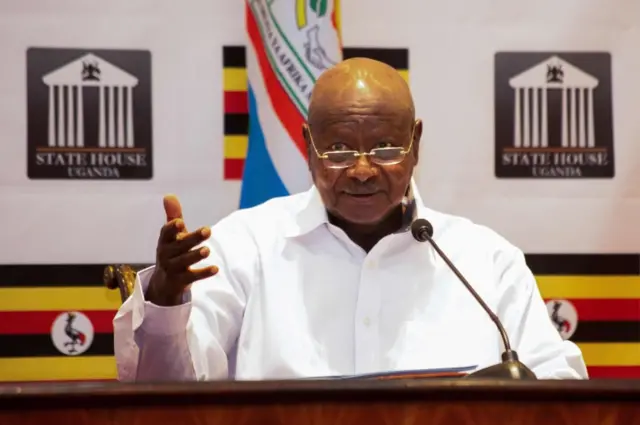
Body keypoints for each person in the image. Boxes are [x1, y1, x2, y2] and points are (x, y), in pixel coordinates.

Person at [113, 58, 588, 381]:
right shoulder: (245, 247)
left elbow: (559, 386)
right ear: (308, 145)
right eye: (339, 149)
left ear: (416, 143)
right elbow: (166, 393)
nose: (362, 170)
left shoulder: (486, 262)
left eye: (385, 147)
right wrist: (166, 302)